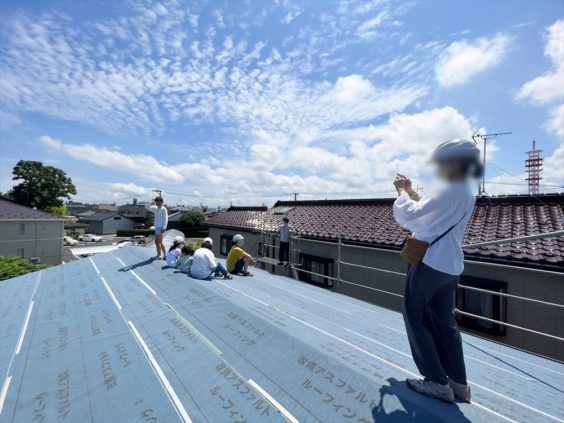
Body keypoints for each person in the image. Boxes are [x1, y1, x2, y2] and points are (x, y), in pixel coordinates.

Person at [392, 139, 482, 404]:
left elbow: (411, 216)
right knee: (445, 323)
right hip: (451, 266)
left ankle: (436, 381)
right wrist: (412, 191)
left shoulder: (449, 189)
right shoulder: (465, 190)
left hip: (430, 263)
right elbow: (433, 214)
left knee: (415, 317)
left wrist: (401, 192)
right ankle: (458, 384)